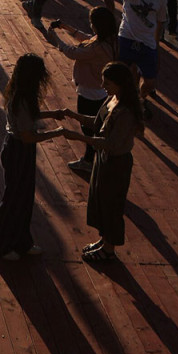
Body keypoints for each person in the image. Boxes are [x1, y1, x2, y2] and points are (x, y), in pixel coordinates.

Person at [58, 63, 145, 263]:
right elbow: (96, 122)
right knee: (101, 200)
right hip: (104, 159)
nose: (102, 85)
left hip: (116, 163)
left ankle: (108, 249)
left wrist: (78, 138)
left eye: (107, 82)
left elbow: (111, 144)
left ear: (119, 83)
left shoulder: (125, 112)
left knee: (111, 204)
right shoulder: (112, 99)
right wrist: (72, 115)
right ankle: (104, 240)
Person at [0, 53, 65, 261]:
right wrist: (58, 132)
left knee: (24, 197)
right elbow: (28, 136)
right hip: (19, 150)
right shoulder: (22, 99)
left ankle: (21, 242)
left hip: (17, 148)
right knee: (14, 199)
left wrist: (52, 114)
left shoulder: (21, 94)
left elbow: (30, 118)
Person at [46, 7, 117, 173]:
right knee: (97, 125)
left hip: (89, 92)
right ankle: (95, 157)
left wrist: (56, 39)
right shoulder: (109, 41)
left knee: (88, 128)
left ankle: (88, 160)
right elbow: (87, 39)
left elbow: (74, 52)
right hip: (99, 91)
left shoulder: (97, 48)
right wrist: (67, 27)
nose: (90, 25)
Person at [114, 0, 167, 116]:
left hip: (147, 41)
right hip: (127, 37)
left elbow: (160, 22)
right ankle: (124, 100)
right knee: (123, 73)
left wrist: (156, 45)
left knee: (150, 81)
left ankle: (140, 98)